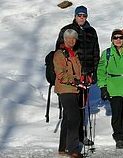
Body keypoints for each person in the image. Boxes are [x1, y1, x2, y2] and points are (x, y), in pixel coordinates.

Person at [56, 5, 100, 146]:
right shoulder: (67, 30)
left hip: (86, 76)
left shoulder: (91, 31)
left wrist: (94, 72)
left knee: (81, 108)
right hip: (71, 77)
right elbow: (60, 52)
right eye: (79, 15)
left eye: (84, 15)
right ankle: (68, 143)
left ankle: (80, 137)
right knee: (71, 112)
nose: (82, 18)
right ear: (75, 16)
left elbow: (95, 53)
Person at [54, 29, 84, 158]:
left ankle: (63, 148)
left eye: (74, 38)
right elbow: (61, 75)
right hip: (65, 90)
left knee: (67, 119)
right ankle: (72, 149)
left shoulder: (74, 53)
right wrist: (75, 81)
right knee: (75, 118)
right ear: (64, 39)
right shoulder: (59, 54)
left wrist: (83, 78)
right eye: (69, 38)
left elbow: (77, 72)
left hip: (74, 89)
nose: (71, 40)